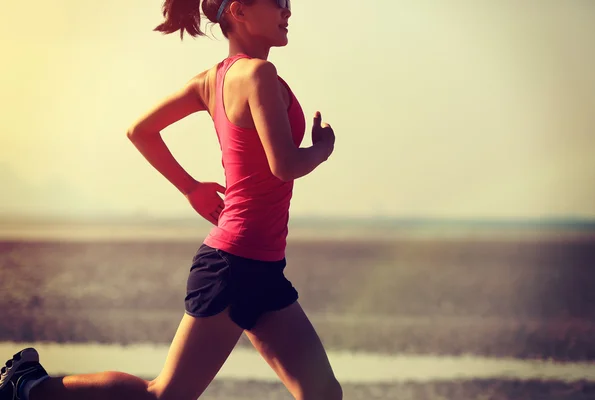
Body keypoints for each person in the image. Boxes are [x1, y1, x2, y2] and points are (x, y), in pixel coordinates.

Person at [0, 0, 341, 399]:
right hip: (233, 266)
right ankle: (29, 386)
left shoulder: (212, 80)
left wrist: (191, 189)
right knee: (163, 395)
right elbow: (284, 164)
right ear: (239, 11)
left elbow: (140, 130)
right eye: (277, 2)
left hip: (262, 267)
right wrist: (321, 149)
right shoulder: (258, 73)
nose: (288, 11)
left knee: (322, 394)